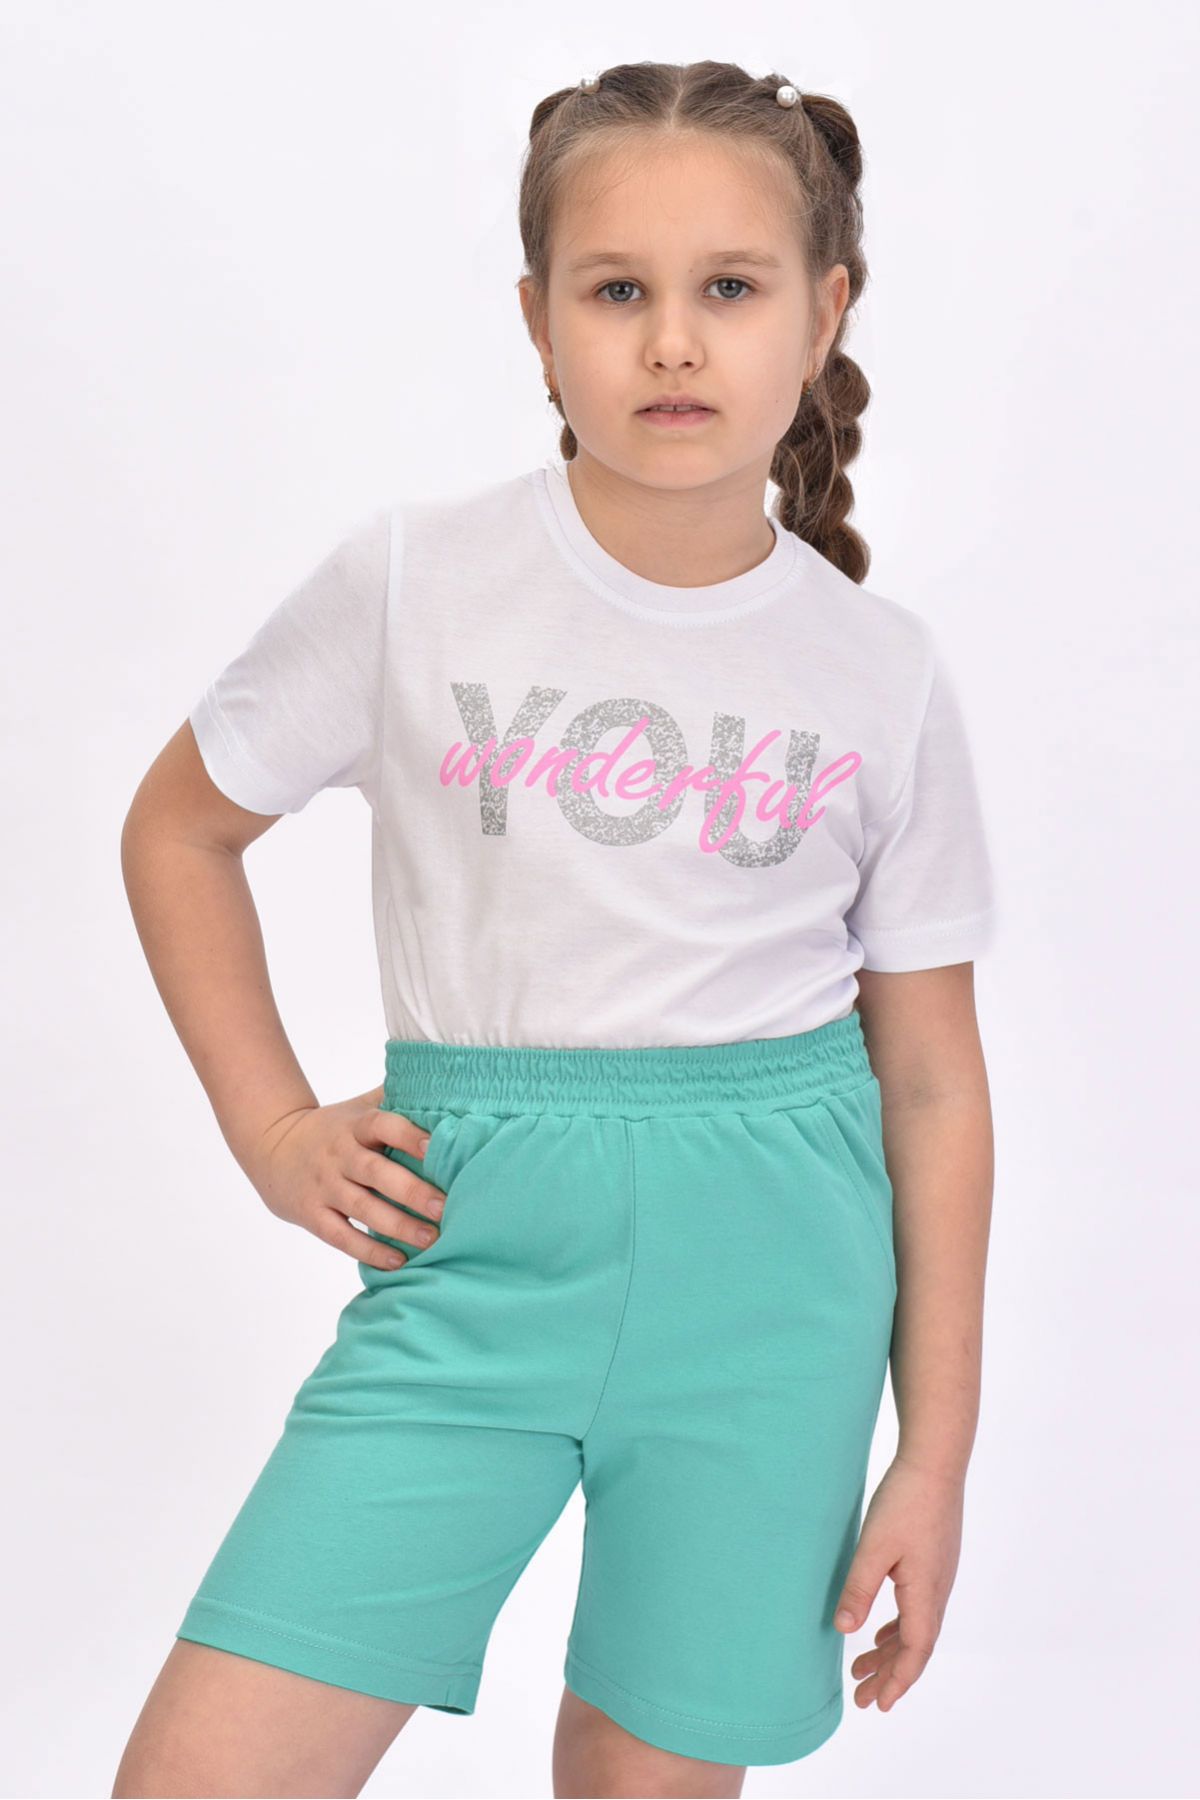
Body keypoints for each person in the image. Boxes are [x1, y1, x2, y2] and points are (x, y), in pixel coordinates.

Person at [113, 58, 998, 1800]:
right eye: (614, 291)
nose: (672, 343)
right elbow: (180, 828)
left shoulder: (880, 672)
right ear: (537, 322)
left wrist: (936, 1451)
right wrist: (273, 1126)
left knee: (644, 1774)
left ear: (824, 313)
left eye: (729, 287)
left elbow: (933, 1084)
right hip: (468, 1257)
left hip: (776, 1301)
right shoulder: (413, 582)